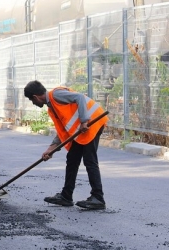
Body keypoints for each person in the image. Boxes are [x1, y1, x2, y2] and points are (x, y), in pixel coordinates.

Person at [23, 80, 109, 210]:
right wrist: (51, 149)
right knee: (72, 159)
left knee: (89, 160)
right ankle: (66, 196)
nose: (33, 103)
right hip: (82, 129)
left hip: (92, 123)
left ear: (35, 97)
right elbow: (63, 130)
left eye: (32, 100)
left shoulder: (56, 95)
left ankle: (98, 198)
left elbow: (79, 97)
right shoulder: (52, 108)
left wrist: (84, 121)